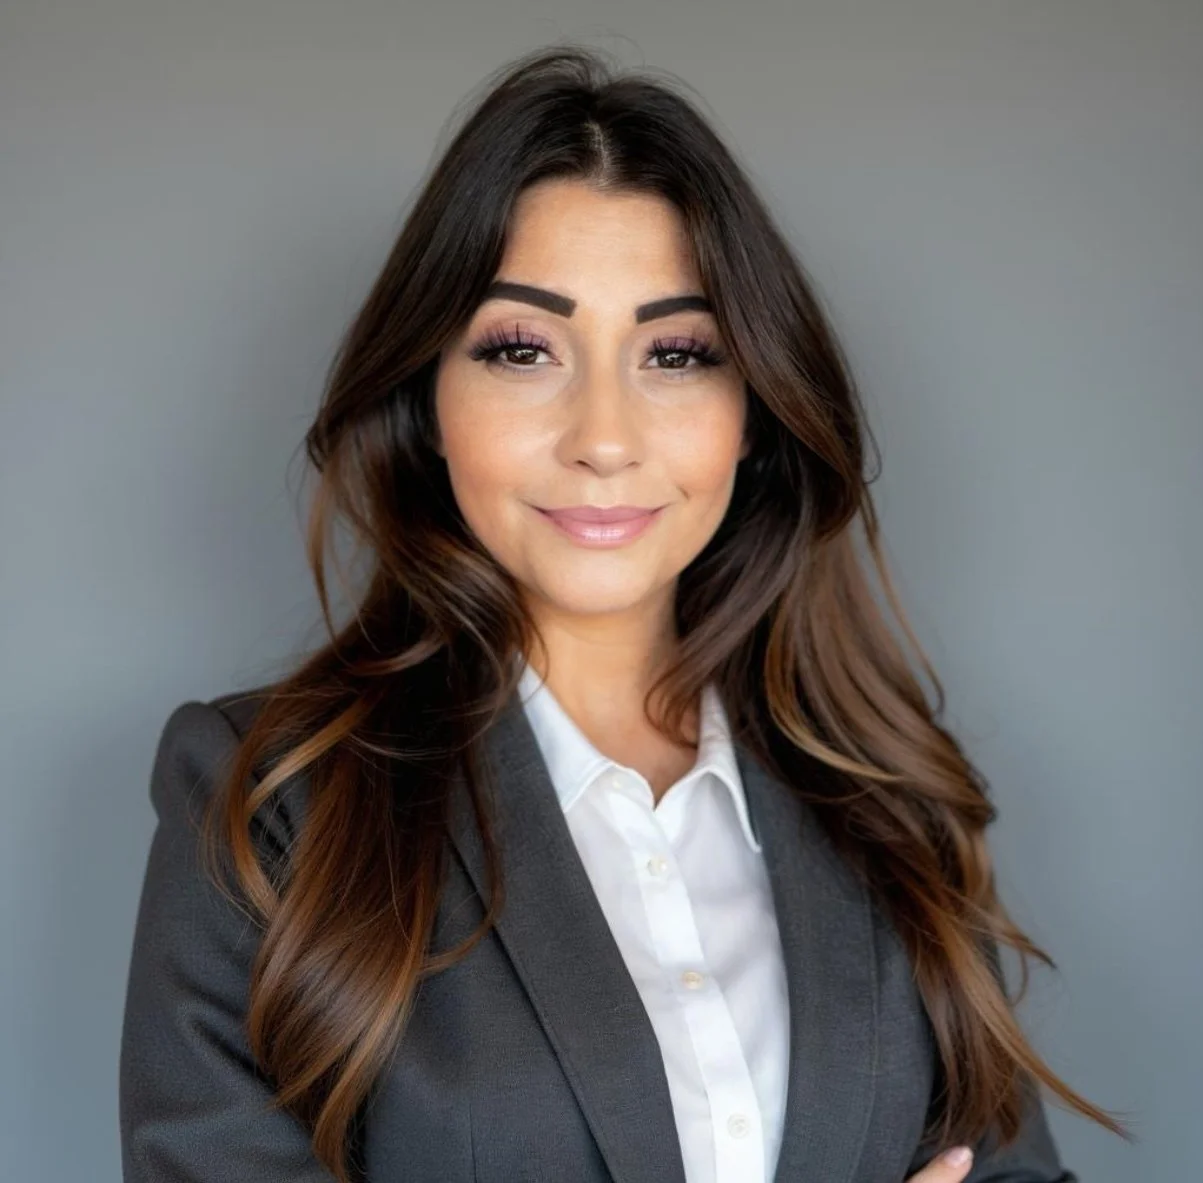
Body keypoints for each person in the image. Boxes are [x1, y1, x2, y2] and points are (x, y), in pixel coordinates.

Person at [118, 44, 1124, 1183]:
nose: (604, 433)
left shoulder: (891, 809)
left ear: (753, 413)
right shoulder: (269, 801)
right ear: (429, 400)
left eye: (677, 353)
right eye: (521, 348)